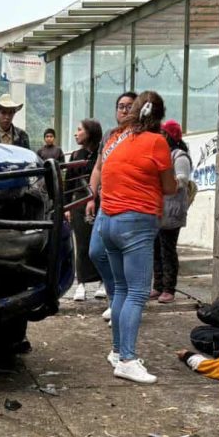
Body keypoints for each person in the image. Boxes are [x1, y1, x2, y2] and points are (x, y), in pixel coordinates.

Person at [87, 90, 177, 384]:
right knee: (137, 292)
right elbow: (169, 186)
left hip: (108, 221)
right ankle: (127, 358)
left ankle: (116, 351)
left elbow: (102, 175)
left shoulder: (114, 140)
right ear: (159, 116)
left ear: (135, 111)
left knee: (121, 291)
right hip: (136, 222)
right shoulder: (157, 142)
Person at [90, 91, 139, 319]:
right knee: (96, 252)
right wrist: (92, 196)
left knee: (125, 256)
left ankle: (124, 303)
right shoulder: (109, 135)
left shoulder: (143, 135)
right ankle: (115, 295)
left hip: (131, 204)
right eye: (121, 106)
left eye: (130, 106)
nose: (125, 109)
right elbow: (98, 167)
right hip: (106, 203)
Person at [153, 120, 193, 304]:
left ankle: (169, 288)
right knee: (156, 249)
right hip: (159, 210)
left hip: (172, 211)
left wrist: (163, 183)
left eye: (162, 133)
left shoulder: (179, 156)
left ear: (169, 136)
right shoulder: (163, 155)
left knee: (167, 249)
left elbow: (182, 180)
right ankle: (158, 285)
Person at [63, 119, 103, 302]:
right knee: (82, 243)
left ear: (90, 132)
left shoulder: (101, 154)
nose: (75, 133)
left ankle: (103, 281)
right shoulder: (76, 155)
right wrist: (66, 207)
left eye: (79, 130)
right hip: (79, 201)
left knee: (101, 243)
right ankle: (81, 284)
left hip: (102, 201)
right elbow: (68, 183)